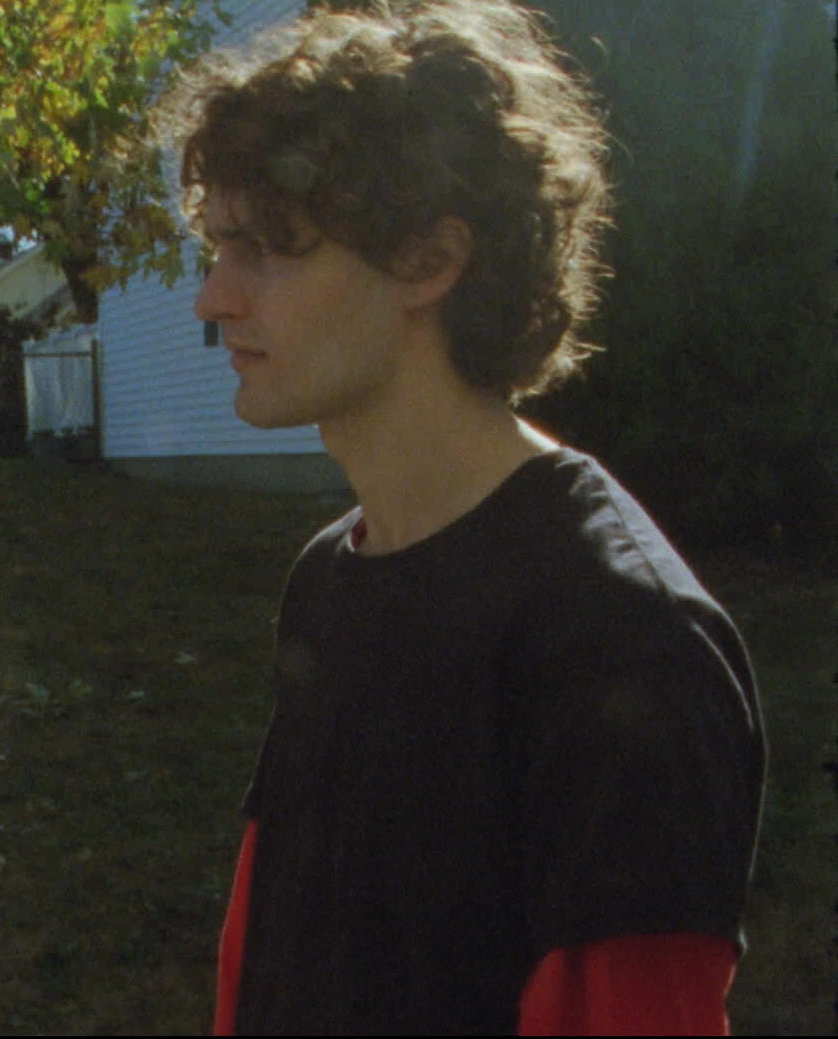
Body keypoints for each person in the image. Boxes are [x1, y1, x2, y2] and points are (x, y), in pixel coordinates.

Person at [157, 1, 766, 1034]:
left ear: (429, 261)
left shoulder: (623, 636)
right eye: (216, 246)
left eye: (266, 247)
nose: (213, 297)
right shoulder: (330, 578)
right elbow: (262, 953)